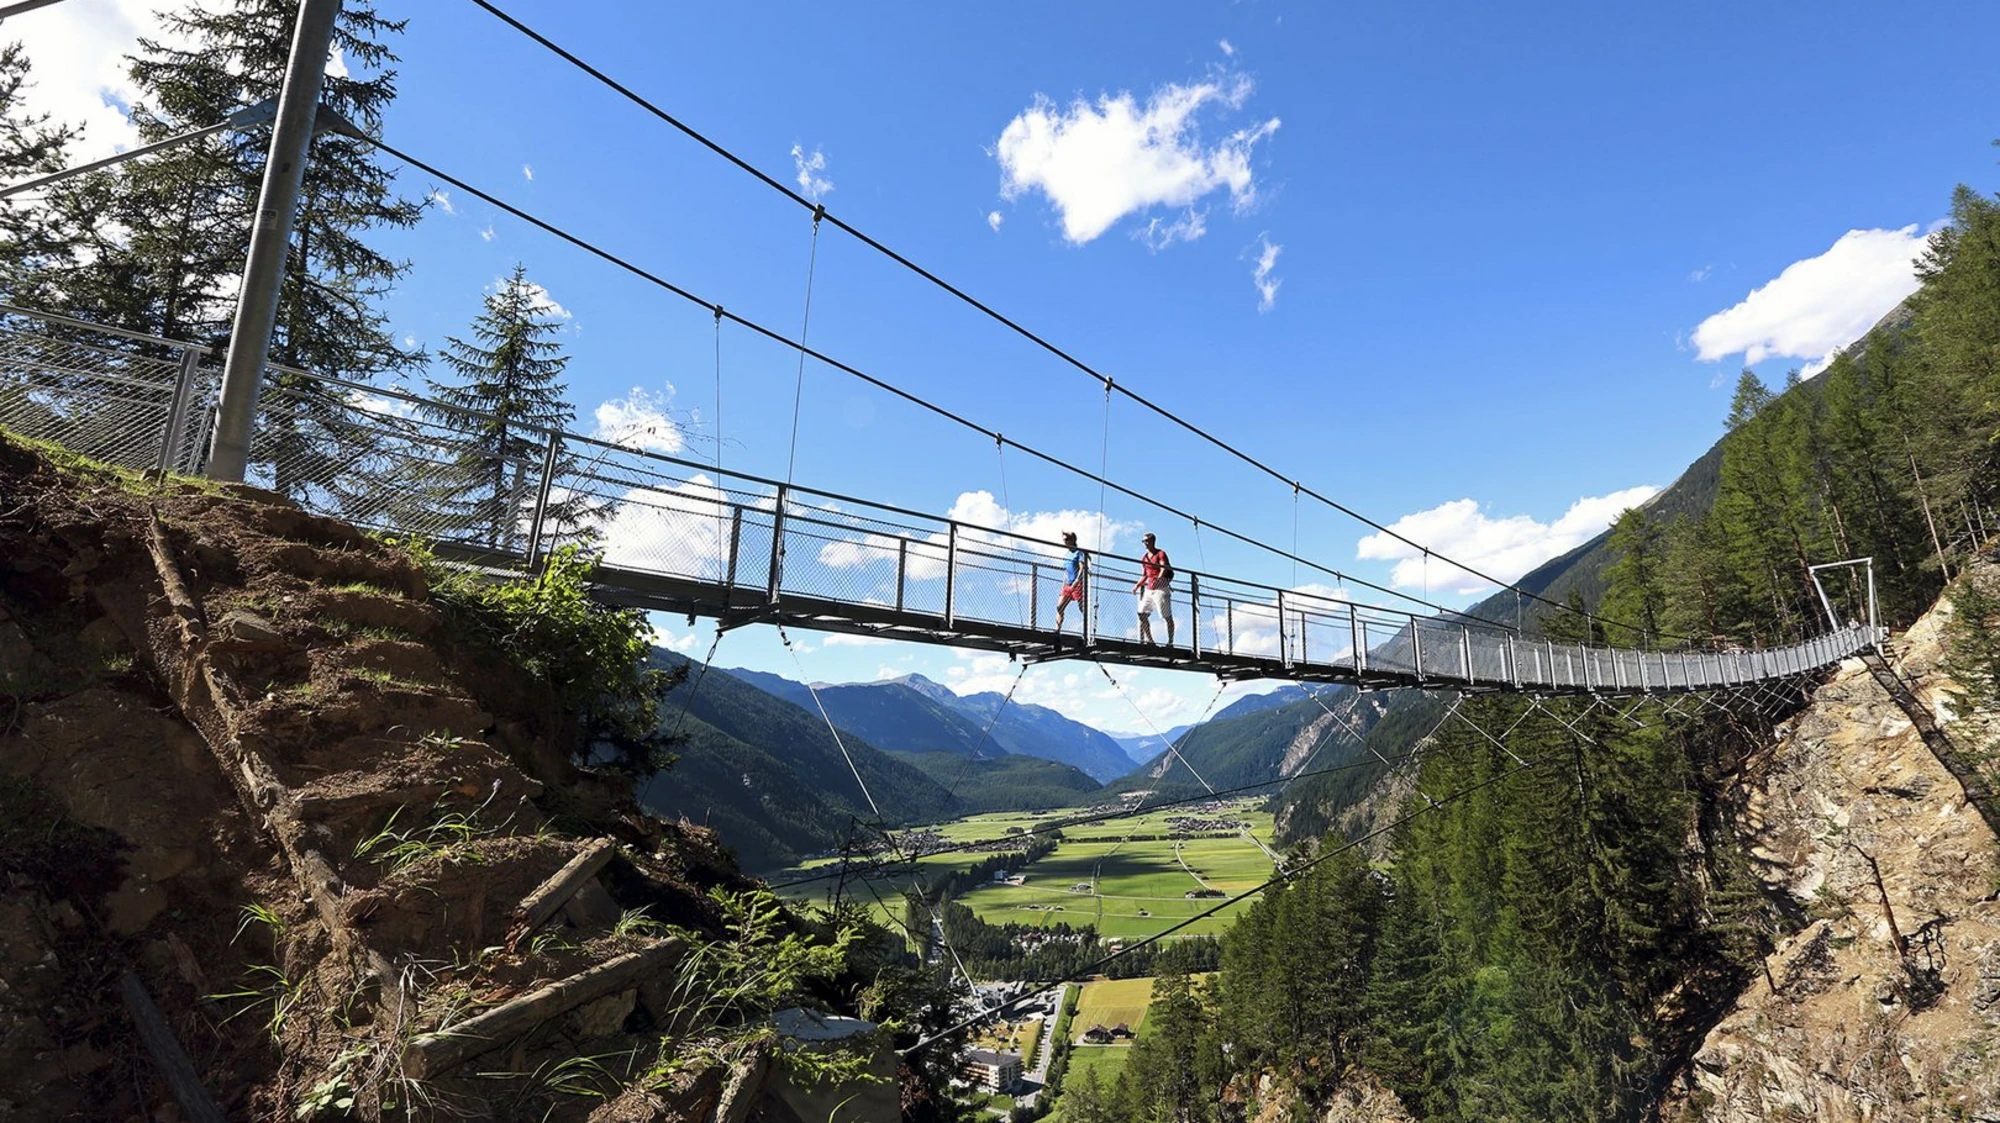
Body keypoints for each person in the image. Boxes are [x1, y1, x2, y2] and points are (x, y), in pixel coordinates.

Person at [1133, 532, 1175, 646]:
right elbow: (1145, 575)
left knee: (1166, 616)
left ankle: (1170, 641)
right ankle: (1150, 640)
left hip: (1161, 589)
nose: (1145, 543)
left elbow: (1163, 568)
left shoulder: (1161, 553)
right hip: (1149, 589)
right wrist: (1137, 585)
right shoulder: (1145, 557)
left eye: (1146, 541)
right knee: (1141, 613)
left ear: (1152, 541)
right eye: (1143, 541)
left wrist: (1159, 579)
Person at [1054, 530, 1088, 635]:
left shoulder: (1078, 552)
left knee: (1082, 608)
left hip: (1077, 584)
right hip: (1068, 584)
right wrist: (1064, 584)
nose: (1064, 541)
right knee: (1059, 607)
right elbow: (1066, 571)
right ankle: (1057, 630)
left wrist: (1077, 580)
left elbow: (1082, 568)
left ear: (1072, 540)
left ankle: (1087, 630)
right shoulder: (1067, 554)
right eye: (1064, 540)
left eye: (1066, 539)